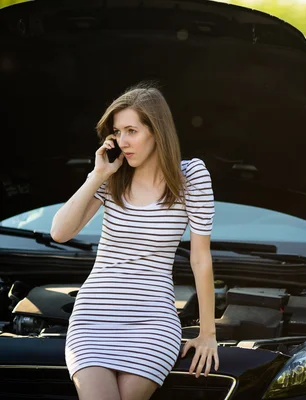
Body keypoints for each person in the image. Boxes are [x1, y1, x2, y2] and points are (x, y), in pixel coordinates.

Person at [50, 82, 219, 400]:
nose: (123, 141)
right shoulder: (113, 177)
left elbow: (200, 258)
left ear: (157, 131)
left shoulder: (191, 177)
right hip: (93, 318)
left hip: (152, 322)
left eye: (132, 130)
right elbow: (60, 232)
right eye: (117, 132)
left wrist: (208, 333)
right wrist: (97, 175)